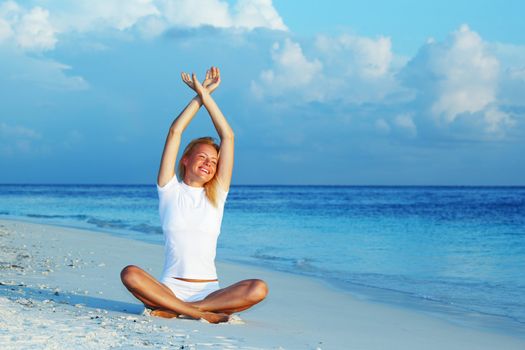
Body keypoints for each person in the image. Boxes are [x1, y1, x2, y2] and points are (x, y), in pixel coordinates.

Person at [120, 67, 268, 324]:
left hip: (211, 292)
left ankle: (183, 309)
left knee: (258, 288)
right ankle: (194, 313)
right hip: (168, 289)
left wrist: (206, 94)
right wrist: (198, 96)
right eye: (202, 156)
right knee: (130, 273)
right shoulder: (169, 189)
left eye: (213, 160)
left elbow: (228, 136)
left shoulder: (217, 193)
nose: (209, 163)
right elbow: (175, 132)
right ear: (186, 160)